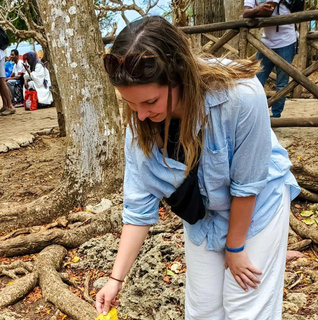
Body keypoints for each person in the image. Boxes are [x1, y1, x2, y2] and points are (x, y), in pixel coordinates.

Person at [95, 16, 300, 319]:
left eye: (150, 101)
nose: (140, 115)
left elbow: (248, 184)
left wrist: (234, 249)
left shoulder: (241, 96)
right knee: (202, 308)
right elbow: (138, 208)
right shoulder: (139, 125)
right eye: (131, 104)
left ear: (179, 76)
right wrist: (115, 280)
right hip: (203, 215)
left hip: (256, 207)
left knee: (245, 306)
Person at [243, 1, 298, 118]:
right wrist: (257, 10)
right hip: (266, 42)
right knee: (255, 79)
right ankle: (254, 113)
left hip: (286, 41)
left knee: (282, 82)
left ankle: (276, 115)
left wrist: (255, 11)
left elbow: (268, 11)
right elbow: (246, 13)